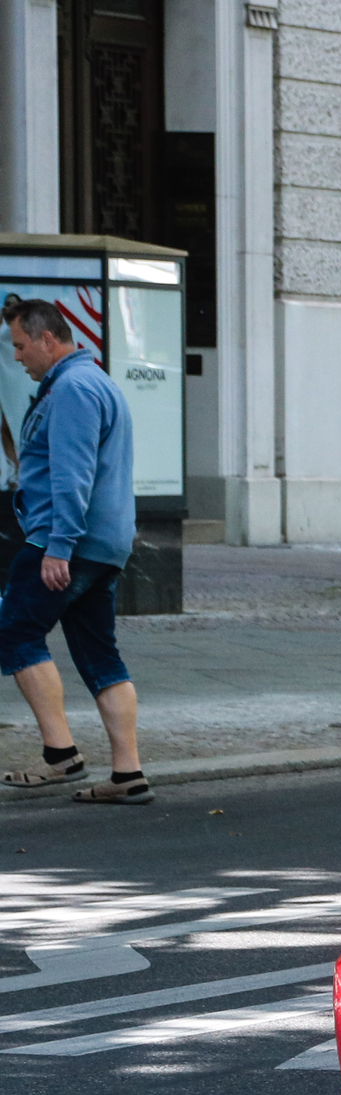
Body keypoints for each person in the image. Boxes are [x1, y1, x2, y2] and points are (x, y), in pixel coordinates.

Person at [0, 296, 147, 803]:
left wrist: (57, 547)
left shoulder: (74, 389)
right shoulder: (93, 383)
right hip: (100, 545)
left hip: (66, 541)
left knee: (14, 631)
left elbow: (73, 475)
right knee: (100, 655)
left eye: (20, 345)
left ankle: (60, 757)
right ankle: (128, 776)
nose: (18, 357)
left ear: (46, 339)